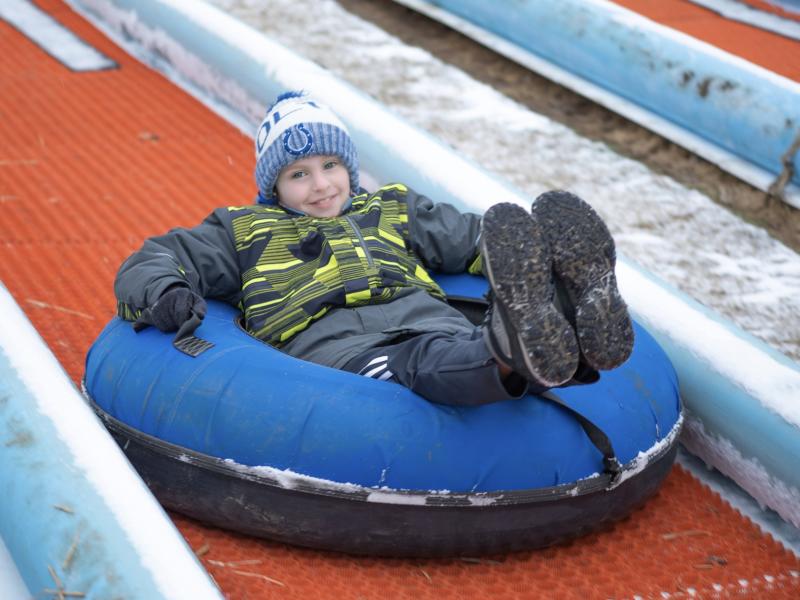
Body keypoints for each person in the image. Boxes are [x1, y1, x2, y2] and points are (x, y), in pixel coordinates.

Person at [115, 91, 634, 407]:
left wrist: (532, 253)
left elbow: (479, 243)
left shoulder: (390, 208)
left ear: (349, 168)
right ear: (274, 187)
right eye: (298, 175)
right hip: (343, 349)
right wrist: (166, 291)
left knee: (453, 339)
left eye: (330, 167)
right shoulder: (244, 231)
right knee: (425, 363)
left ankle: (564, 314)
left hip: (435, 320)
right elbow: (157, 257)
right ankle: (515, 351)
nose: (320, 186)